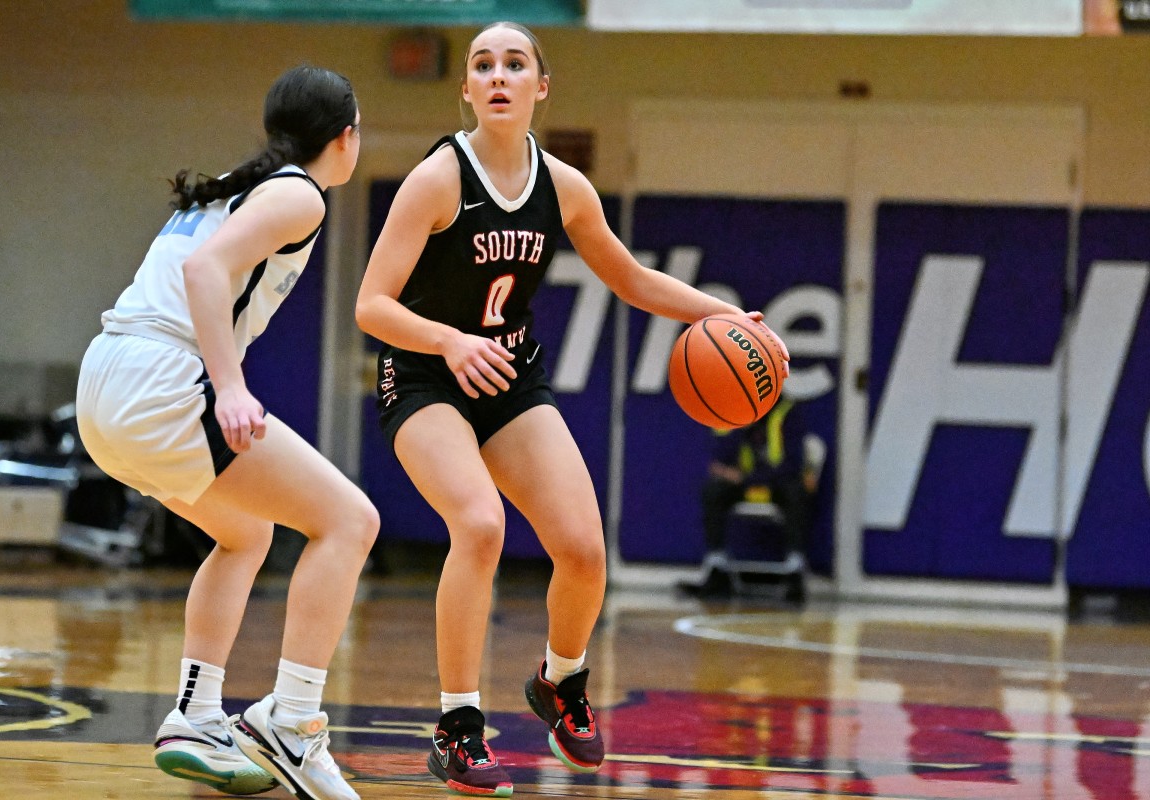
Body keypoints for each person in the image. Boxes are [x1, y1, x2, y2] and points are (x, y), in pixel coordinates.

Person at [355, 21, 789, 797]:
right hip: (425, 374)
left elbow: (633, 278)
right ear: (466, 90)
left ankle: (560, 683)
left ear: (540, 87)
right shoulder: (438, 178)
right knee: (481, 525)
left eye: (514, 64)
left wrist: (727, 318)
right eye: (482, 65)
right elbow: (371, 305)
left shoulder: (564, 186)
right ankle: (458, 728)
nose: (497, 75)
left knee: (585, 551)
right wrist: (450, 343)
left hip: (511, 378)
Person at [76, 65, 377, 800]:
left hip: (105, 382)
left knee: (246, 533)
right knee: (349, 521)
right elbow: (207, 270)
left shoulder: (239, 183)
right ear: (344, 138)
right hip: (158, 380)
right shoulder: (298, 194)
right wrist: (231, 386)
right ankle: (294, 722)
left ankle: (195, 715)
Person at [679, 394, 818, 601]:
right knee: (713, 490)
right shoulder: (735, 410)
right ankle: (717, 569)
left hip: (775, 483)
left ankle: (794, 571)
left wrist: (749, 478)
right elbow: (720, 460)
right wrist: (741, 427)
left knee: (796, 491)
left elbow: (793, 465)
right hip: (745, 483)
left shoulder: (787, 411)